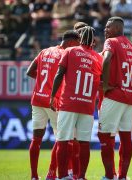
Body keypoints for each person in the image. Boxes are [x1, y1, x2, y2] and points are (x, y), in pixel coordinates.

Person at [26, 30, 80, 180]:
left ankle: (34, 176)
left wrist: (44, 82)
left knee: (36, 139)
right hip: (54, 102)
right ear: (70, 42)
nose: (78, 46)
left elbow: (30, 71)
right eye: (77, 43)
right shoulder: (66, 54)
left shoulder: (45, 51)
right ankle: (51, 174)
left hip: (37, 99)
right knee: (63, 139)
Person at [50, 26, 102, 180]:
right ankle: (81, 176)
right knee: (84, 143)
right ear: (93, 41)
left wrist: (53, 95)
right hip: (87, 105)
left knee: (63, 140)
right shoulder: (98, 58)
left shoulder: (70, 51)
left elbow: (59, 74)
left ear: (79, 39)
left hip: (69, 103)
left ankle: (63, 175)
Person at [98, 17, 132, 180]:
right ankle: (122, 176)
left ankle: (109, 176)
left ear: (116, 27)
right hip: (130, 96)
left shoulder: (111, 42)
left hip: (114, 95)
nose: (105, 30)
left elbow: (106, 60)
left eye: (108, 27)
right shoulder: (131, 46)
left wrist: (105, 84)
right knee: (126, 137)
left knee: (104, 135)